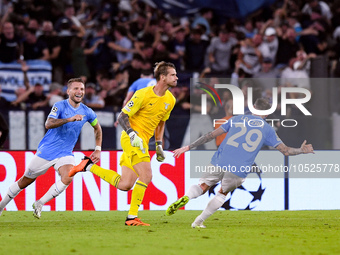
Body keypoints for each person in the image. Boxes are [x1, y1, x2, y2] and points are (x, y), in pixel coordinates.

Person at [166, 98, 314, 228]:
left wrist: (188, 147)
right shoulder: (268, 129)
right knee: (222, 193)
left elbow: (209, 135)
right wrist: (301, 150)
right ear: (267, 113)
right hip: (239, 168)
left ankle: (187, 197)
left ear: (253, 108)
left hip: (219, 160)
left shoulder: (236, 119)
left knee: (203, 186)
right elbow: (285, 151)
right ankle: (198, 221)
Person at [69, 62, 177, 226]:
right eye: (173, 75)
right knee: (146, 175)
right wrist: (132, 134)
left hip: (143, 142)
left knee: (125, 184)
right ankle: (132, 217)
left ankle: (88, 166)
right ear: (162, 77)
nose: (176, 78)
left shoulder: (171, 99)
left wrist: (159, 145)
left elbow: (161, 122)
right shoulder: (143, 94)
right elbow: (122, 116)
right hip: (131, 138)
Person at [0, 78, 102, 218]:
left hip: (65, 153)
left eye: (82, 89)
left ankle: (40, 203)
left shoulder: (87, 112)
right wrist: (69, 119)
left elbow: (97, 128)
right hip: (47, 151)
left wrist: (98, 149)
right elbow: (48, 124)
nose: (80, 92)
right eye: (76, 89)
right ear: (68, 91)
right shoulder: (59, 106)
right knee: (25, 181)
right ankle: (1, 205)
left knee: (68, 176)